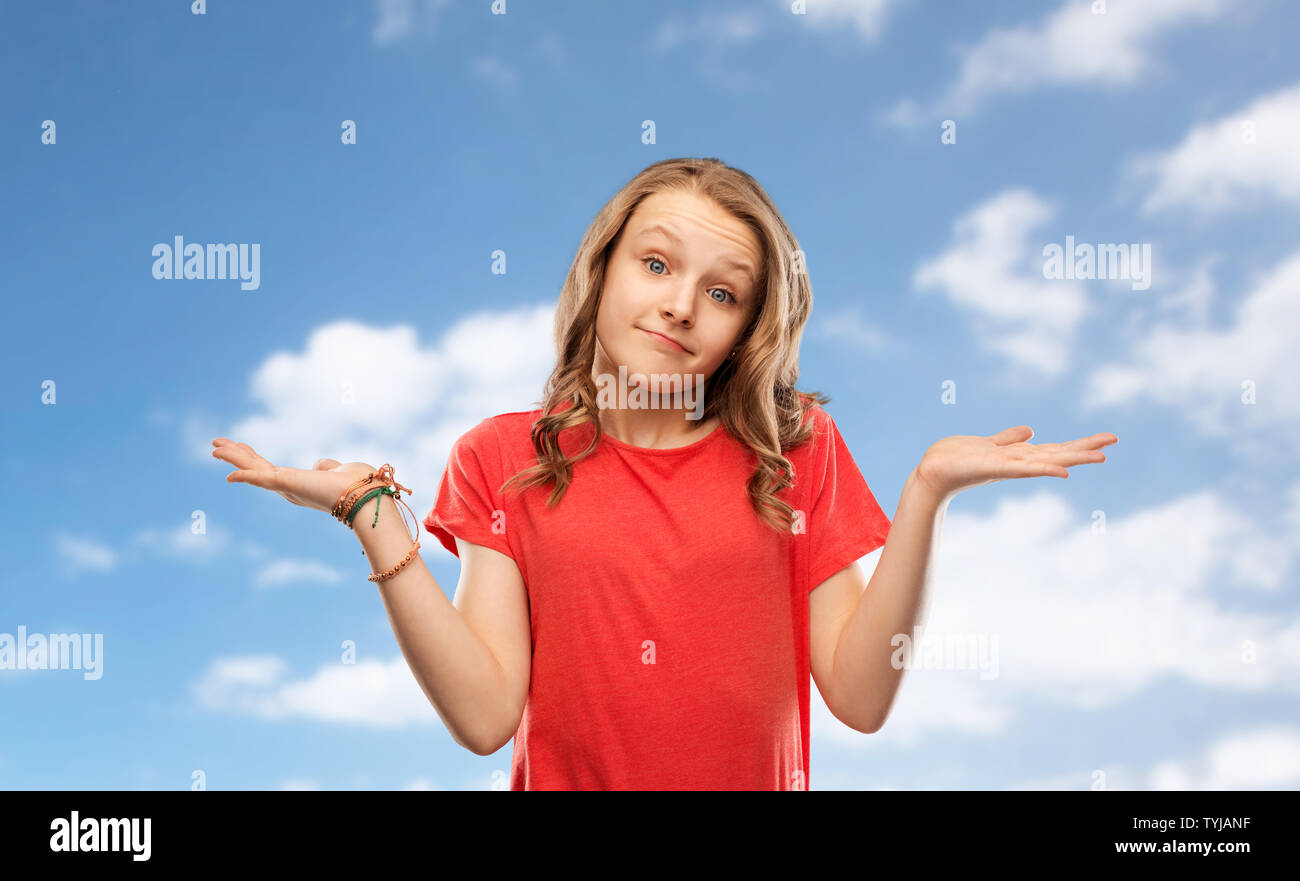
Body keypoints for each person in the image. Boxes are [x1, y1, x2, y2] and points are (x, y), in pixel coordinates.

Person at [212, 157, 1118, 790]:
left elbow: (861, 693)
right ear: (601, 270)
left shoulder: (793, 449)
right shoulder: (505, 456)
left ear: (747, 329)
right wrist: (374, 514)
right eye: (656, 263)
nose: (681, 304)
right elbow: (487, 716)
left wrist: (926, 494)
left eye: (723, 292)